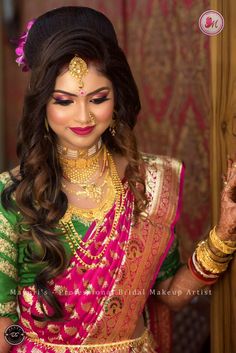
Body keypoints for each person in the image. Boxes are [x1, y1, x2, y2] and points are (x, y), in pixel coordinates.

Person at [0, 6, 235, 353]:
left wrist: (224, 237)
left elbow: (168, 296)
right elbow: (5, 326)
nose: (83, 116)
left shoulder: (153, 184)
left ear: (117, 96)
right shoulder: (13, 195)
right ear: (42, 107)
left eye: (98, 99)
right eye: (64, 101)